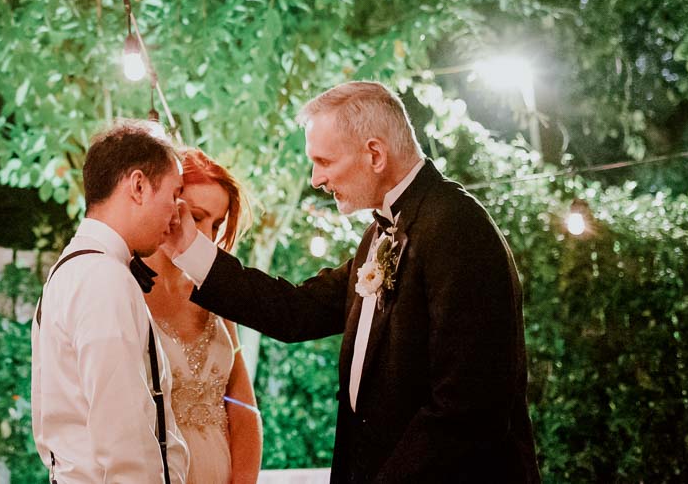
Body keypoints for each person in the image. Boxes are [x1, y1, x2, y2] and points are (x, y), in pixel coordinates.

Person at [163, 82, 540, 483]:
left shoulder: (457, 227)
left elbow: (469, 408)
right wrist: (189, 248)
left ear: (375, 153)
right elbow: (296, 311)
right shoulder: (380, 236)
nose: (315, 179)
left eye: (324, 161)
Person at [31, 118, 191, 483]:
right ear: (138, 185)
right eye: (174, 193)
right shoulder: (102, 278)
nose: (176, 212)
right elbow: (124, 436)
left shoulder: (76, 269)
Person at [139, 147, 262, 484]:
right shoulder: (125, 292)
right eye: (196, 215)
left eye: (217, 223)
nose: (207, 235)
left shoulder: (216, 294)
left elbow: (243, 407)